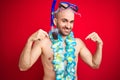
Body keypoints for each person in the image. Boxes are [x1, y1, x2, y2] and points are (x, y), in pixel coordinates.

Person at [18, 1, 103, 80]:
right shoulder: (43, 43)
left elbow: (94, 64)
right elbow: (23, 67)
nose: (68, 26)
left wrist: (99, 45)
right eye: (64, 21)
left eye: (71, 22)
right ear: (55, 21)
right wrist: (29, 41)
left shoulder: (77, 43)